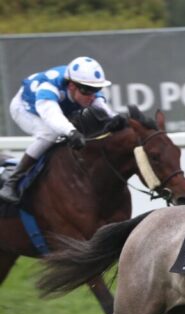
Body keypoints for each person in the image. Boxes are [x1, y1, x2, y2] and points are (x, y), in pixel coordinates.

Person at [0, 56, 115, 204]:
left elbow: (108, 114)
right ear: (72, 86)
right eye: (87, 90)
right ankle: (13, 182)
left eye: (96, 90)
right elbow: (53, 117)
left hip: (57, 108)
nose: (92, 96)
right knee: (50, 133)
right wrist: (71, 132)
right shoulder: (48, 90)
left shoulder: (86, 91)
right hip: (25, 109)